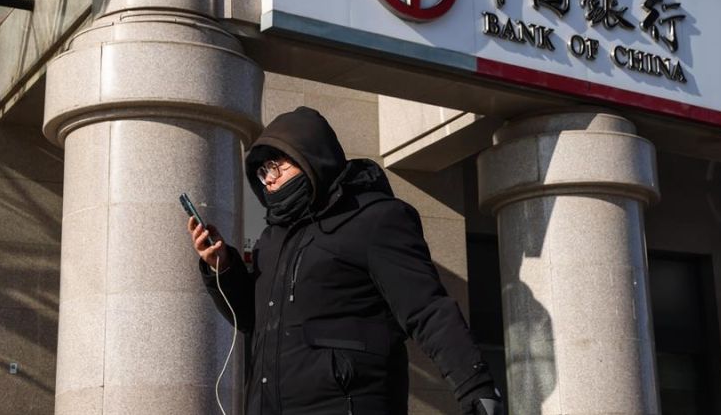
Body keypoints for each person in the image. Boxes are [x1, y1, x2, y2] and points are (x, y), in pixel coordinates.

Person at [188, 106, 503, 415]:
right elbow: (250, 319)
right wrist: (223, 266)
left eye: (275, 165)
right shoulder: (272, 239)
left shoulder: (375, 218)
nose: (268, 179)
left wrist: (475, 387)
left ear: (309, 155)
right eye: (261, 171)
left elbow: (427, 309)